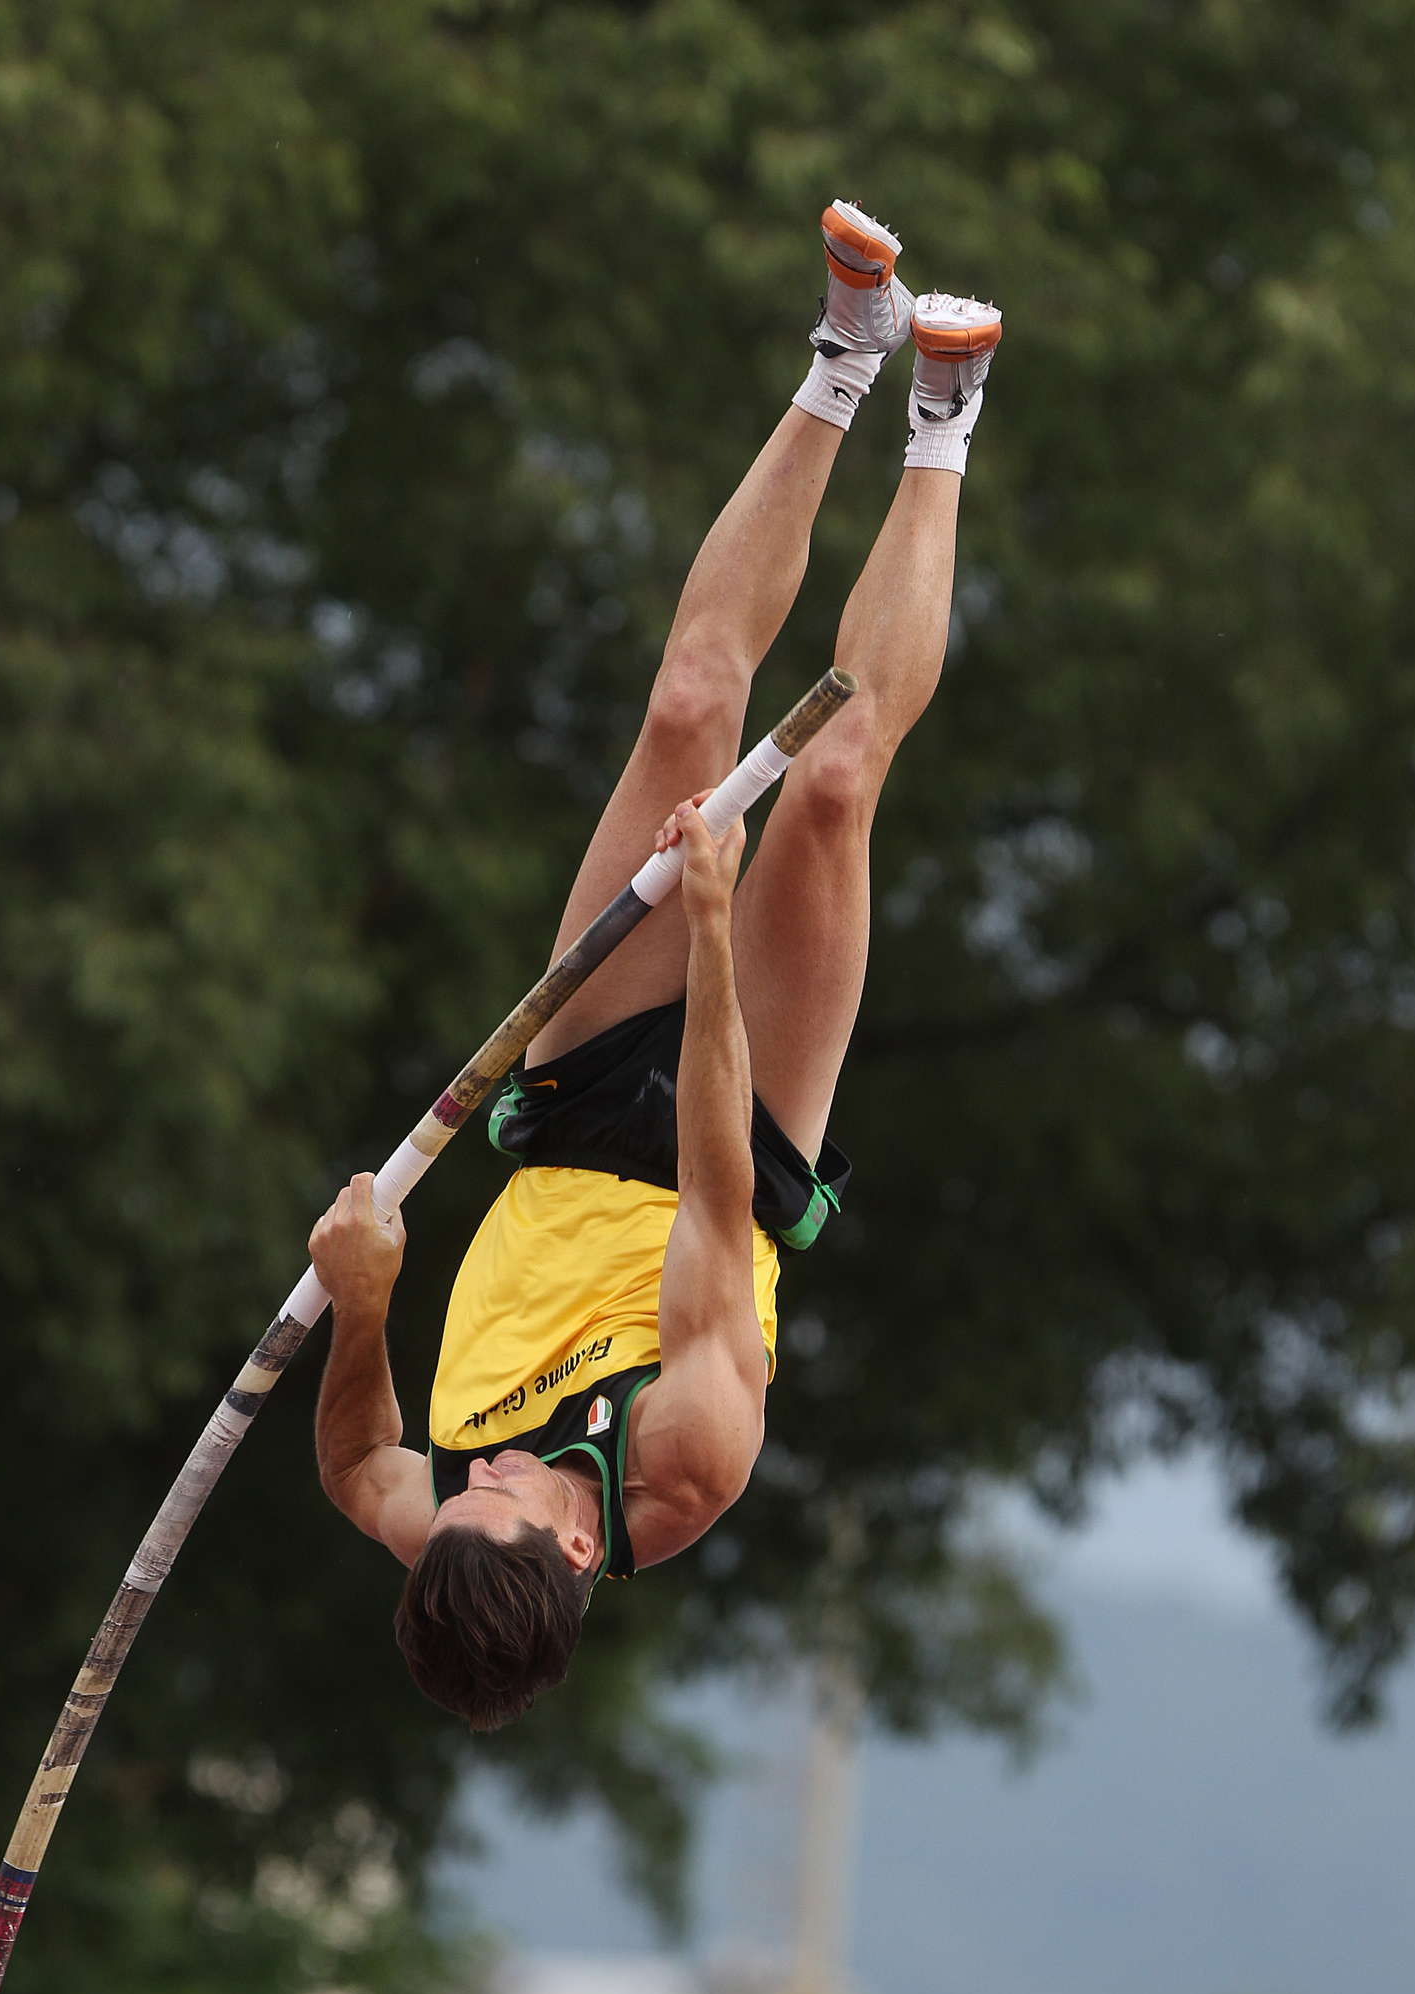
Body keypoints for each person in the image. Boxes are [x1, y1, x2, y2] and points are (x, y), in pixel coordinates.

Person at [307, 199, 1000, 1730]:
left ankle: (846, 354)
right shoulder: (689, 1456)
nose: (471, 1472)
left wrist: (363, 1303)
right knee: (831, 780)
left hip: (566, 1120)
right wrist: (707, 923)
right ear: (575, 1546)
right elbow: (710, 1189)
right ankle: (944, 420)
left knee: (690, 705)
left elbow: (357, 1467)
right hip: (730, 1151)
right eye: (496, 1493)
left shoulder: (452, 1534)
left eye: (454, 1496)